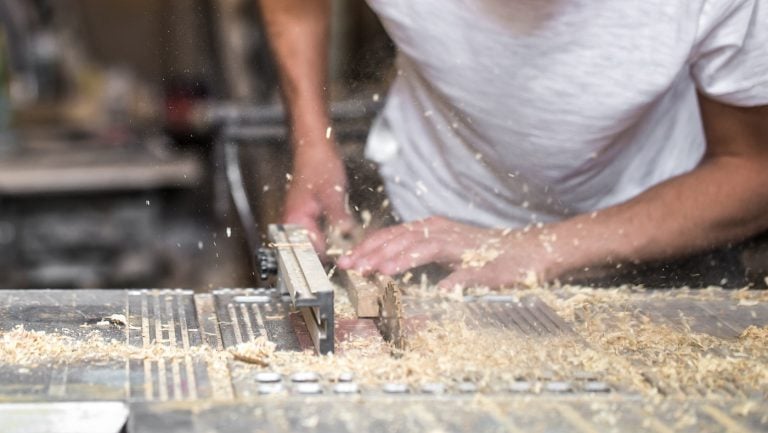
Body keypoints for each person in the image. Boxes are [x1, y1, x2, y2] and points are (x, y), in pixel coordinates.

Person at [258, 0, 768, 289]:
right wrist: (311, 142)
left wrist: (538, 248)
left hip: (656, 237)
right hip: (425, 221)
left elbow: (752, 171)